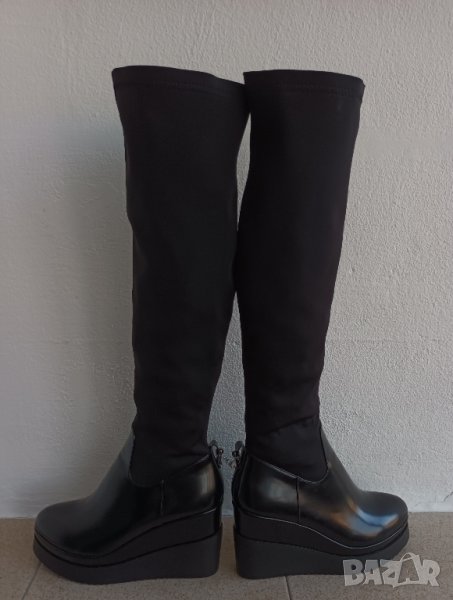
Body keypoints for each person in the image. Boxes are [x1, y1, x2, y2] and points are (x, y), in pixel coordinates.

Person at [33, 66, 408, 583]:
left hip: (208, 470)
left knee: (305, 130)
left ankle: (210, 471)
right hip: (246, 469)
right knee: (181, 129)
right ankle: (265, 470)